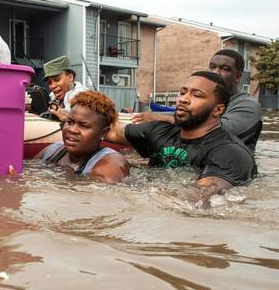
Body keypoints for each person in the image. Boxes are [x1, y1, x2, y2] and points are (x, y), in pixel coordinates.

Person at [107, 71, 256, 194]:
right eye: (183, 92)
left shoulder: (230, 152)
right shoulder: (160, 131)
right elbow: (110, 131)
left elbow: (200, 196)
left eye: (197, 95)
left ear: (218, 110)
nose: (183, 99)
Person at [132, 50, 262, 152]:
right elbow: (186, 115)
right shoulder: (206, 100)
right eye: (212, 67)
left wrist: (162, 118)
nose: (216, 72)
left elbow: (219, 129)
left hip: (229, 168)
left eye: (225, 69)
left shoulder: (249, 105)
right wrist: (142, 117)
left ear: (238, 76)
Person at [37, 90, 129, 184]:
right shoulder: (52, 151)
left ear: (103, 133)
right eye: (70, 122)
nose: (72, 130)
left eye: (83, 125)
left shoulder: (111, 164)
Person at [43, 55, 87, 122]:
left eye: (57, 80)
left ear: (70, 77)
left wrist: (68, 118)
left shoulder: (81, 95)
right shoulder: (53, 95)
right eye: (49, 82)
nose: (52, 86)